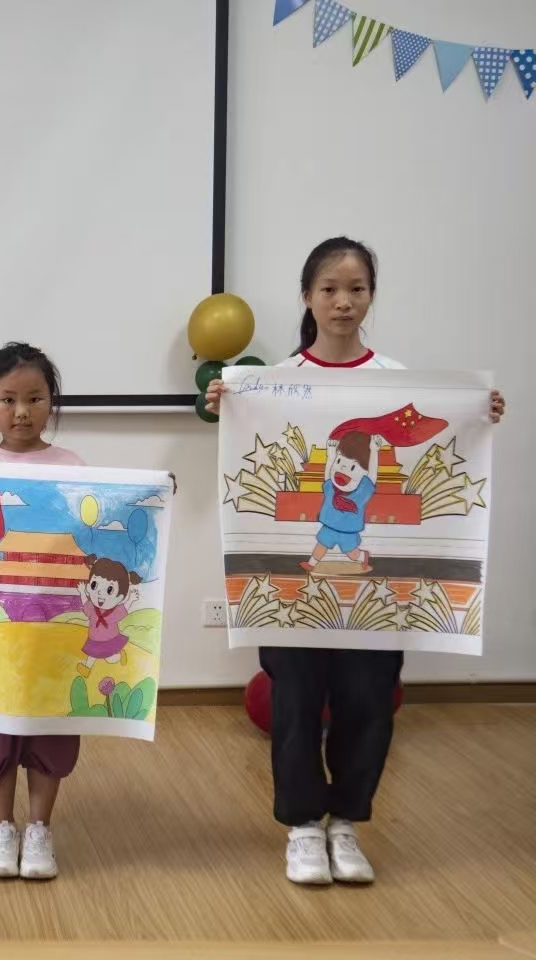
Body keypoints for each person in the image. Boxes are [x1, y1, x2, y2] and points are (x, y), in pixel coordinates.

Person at [205, 236, 506, 885]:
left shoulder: (398, 383)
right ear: (307, 297)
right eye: (330, 289)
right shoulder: (276, 383)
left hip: (377, 591)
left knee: (368, 698)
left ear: (371, 296)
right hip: (297, 587)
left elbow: (436, 452)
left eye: (357, 289)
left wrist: (478, 414)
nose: (343, 302)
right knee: (295, 698)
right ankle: (302, 827)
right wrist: (228, 405)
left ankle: (346, 821)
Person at [0, 342, 84, 880]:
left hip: (52, 636)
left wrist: (155, 494)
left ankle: (39, 829)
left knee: (50, 725)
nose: (22, 411)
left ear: (52, 401)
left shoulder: (75, 469)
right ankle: (1, 827)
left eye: (35, 398)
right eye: (8, 399)